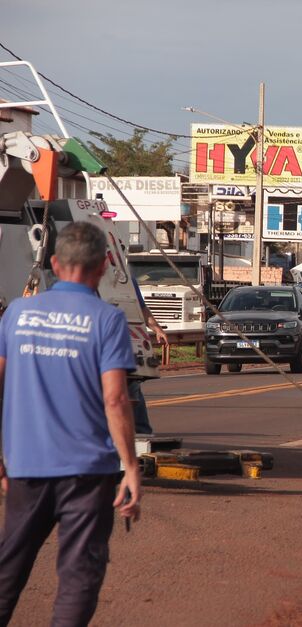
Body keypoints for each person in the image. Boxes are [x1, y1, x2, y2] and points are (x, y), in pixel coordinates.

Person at [0, 222, 141, 625]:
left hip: (26, 468)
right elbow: (115, 399)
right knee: (78, 577)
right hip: (86, 475)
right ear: (101, 267)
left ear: (56, 265)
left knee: (9, 569)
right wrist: (131, 467)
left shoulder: (17, 313)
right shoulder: (107, 320)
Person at [129, 276, 169, 435]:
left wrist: (157, 329)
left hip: (123, 344)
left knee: (131, 386)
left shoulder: (125, 279)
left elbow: (142, 308)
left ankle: (140, 433)